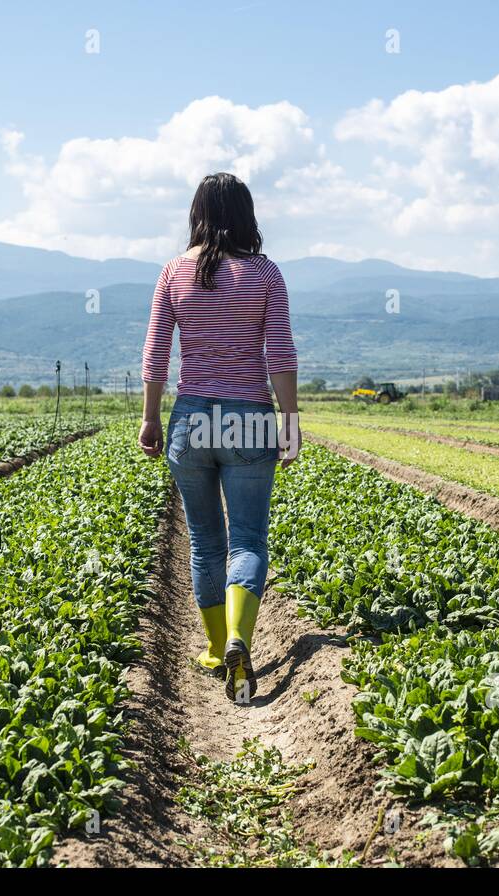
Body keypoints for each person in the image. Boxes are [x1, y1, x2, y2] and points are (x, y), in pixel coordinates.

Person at [138, 172, 301, 704]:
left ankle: (214, 648)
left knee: (206, 540)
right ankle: (239, 636)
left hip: (191, 420)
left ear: (197, 213)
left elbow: (157, 351)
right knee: (248, 538)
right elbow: (279, 354)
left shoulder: (174, 274)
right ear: (246, 214)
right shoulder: (266, 275)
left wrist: (150, 418)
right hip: (249, 418)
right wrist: (290, 419)